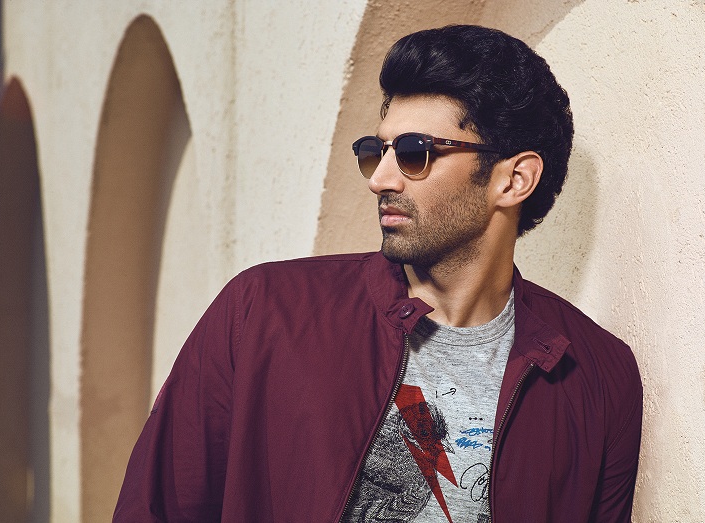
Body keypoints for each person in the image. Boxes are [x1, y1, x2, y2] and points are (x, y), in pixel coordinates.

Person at [114, 24, 642, 522]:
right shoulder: (263, 311)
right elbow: (157, 507)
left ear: (514, 180)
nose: (380, 179)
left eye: (415, 153)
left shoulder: (597, 376)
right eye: (377, 150)